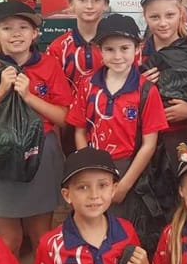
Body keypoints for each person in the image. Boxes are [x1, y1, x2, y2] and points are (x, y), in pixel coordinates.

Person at [0, 0, 73, 255]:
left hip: (39, 152)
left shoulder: (49, 64)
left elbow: (64, 118)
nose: (16, 34)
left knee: (41, 235)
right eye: (7, 28)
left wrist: (29, 97)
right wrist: (1, 90)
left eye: (23, 27)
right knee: (9, 240)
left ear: (35, 33)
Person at [26, 147, 150, 264]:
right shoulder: (52, 245)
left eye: (102, 185)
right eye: (83, 187)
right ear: (67, 195)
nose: (94, 195)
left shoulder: (126, 233)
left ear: (114, 189)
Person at [66, 14, 168, 222]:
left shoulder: (146, 90)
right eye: (110, 49)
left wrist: (124, 185)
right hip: (94, 165)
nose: (118, 56)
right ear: (99, 50)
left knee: (123, 227)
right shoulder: (87, 85)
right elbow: (80, 130)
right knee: (92, 222)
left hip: (128, 169)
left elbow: (149, 144)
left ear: (137, 49)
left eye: (124, 48)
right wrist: (87, 166)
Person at [140, 0, 187, 192]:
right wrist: (140, 85)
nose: (163, 23)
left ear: (181, 12)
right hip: (146, 145)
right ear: (144, 16)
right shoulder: (136, 54)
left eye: (169, 15)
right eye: (154, 17)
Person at [46, 0, 110, 154]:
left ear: (105, 5)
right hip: (68, 127)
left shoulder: (114, 46)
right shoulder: (58, 48)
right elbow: (51, 96)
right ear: (71, 3)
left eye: (96, 0)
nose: (89, 6)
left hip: (109, 124)